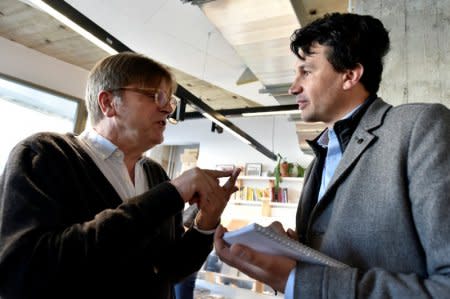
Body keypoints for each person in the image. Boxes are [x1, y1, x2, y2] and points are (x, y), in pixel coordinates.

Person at [214, 12, 450, 299]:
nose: (293, 87)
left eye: (307, 71)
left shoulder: (420, 127)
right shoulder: (320, 159)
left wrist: (296, 279)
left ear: (350, 75)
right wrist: (292, 249)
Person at [0, 52, 240, 299]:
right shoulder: (44, 155)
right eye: (155, 96)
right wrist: (170, 194)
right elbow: (23, 273)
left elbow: (169, 269)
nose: (168, 109)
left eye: (170, 100)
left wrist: (206, 222)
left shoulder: (155, 174)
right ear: (108, 103)